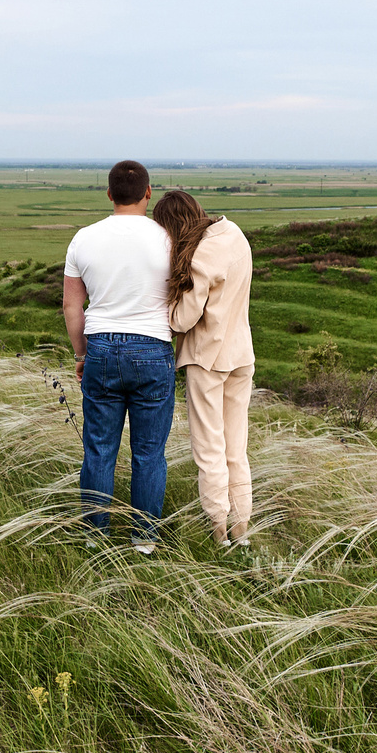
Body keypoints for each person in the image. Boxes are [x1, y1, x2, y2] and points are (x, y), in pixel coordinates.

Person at [63, 159, 174, 553]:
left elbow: (72, 306)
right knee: (149, 453)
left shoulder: (83, 238)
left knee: (99, 450)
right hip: (154, 347)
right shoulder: (168, 239)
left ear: (109, 193)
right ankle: (144, 540)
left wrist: (81, 354)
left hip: (101, 348)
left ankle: (95, 537)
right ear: (148, 193)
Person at [153, 188, 255, 546]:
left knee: (209, 449)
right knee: (235, 449)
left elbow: (183, 319)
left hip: (207, 359)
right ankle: (241, 530)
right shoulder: (234, 233)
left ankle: (218, 530)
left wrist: (164, 307)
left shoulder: (201, 255)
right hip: (241, 354)